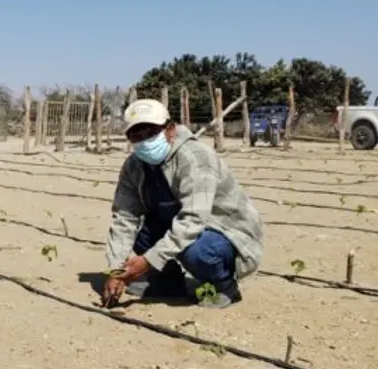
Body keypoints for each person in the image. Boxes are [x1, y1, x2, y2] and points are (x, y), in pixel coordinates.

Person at [102, 99, 264, 309]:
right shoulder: (134, 165)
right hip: (177, 222)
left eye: (151, 133)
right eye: (136, 137)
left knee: (195, 250)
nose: (144, 142)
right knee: (141, 233)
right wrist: (116, 270)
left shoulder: (195, 158)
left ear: (170, 130)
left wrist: (149, 261)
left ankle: (224, 286)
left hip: (223, 231)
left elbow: (193, 220)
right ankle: (169, 284)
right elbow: (125, 215)